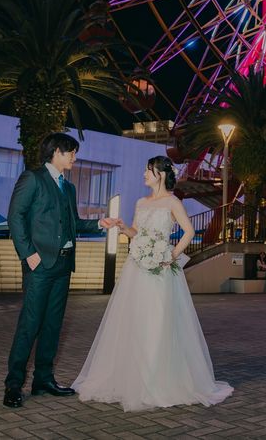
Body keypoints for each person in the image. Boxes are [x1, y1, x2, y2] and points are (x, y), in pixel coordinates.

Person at [72, 156, 233, 412]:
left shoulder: (173, 202)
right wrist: (124, 228)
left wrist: (170, 255)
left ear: (160, 174)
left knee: (159, 320)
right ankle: (133, 378)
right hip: (137, 269)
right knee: (135, 319)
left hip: (161, 271)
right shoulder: (141, 202)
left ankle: (159, 379)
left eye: (148, 170)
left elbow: (189, 231)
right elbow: (137, 232)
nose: (144, 174)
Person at [3, 133, 119, 409]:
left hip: (64, 265)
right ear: (56, 152)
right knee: (30, 324)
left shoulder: (68, 187)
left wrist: (99, 223)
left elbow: (73, 223)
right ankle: (13, 385)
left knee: (53, 325)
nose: (74, 157)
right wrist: (28, 254)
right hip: (40, 265)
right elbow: (15, 216)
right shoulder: (33, 178)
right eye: (71, 152)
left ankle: (43, 380)